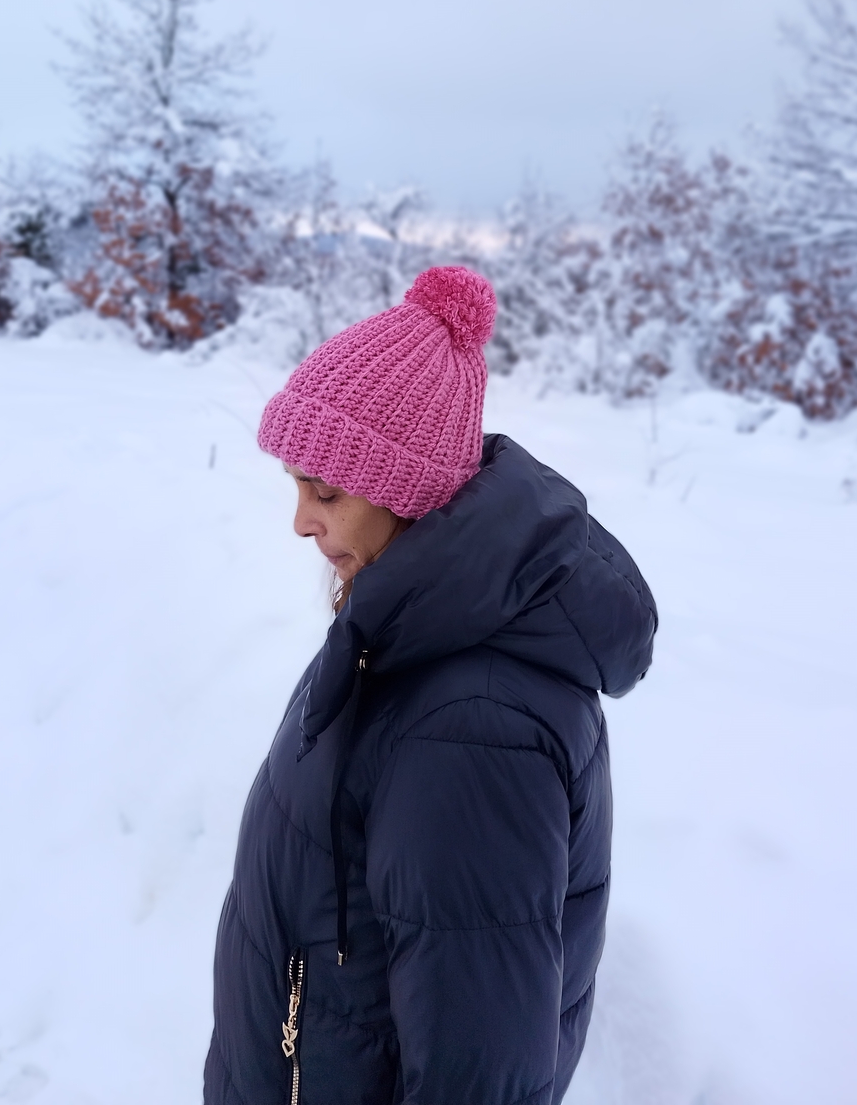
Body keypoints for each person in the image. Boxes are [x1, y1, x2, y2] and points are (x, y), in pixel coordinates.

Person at [204, 266, 657, 1105]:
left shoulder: (472, 728)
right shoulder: (395, 636)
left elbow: (479, 1069)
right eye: (295, 484)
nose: (300, 520)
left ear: (404, 495)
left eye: (325, 491)